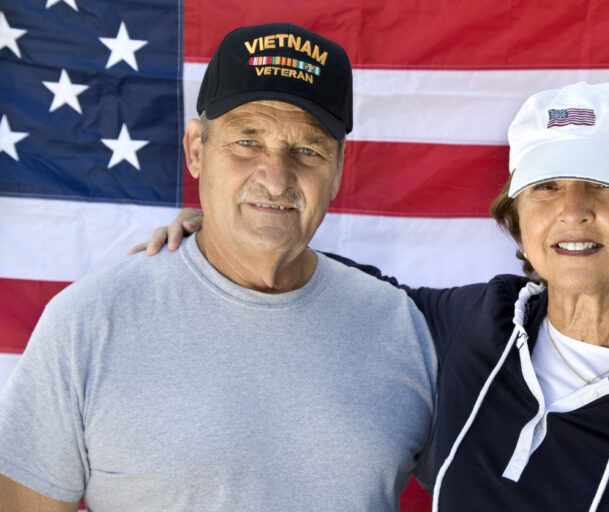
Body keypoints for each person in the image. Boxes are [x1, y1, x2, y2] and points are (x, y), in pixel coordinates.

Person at [147, 82, 609, 510]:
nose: (573, 211)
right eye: (546, 187)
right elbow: (327, 281)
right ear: (517, 219)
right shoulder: (470, 326)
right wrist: (229, 230)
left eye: (604, 185)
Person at [0, 23, 437, 512]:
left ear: (337, 170)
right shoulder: (89, 322)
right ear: (195, 149)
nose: (275, 179)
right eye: (247, 141)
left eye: (308, 150)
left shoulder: (403, 325)